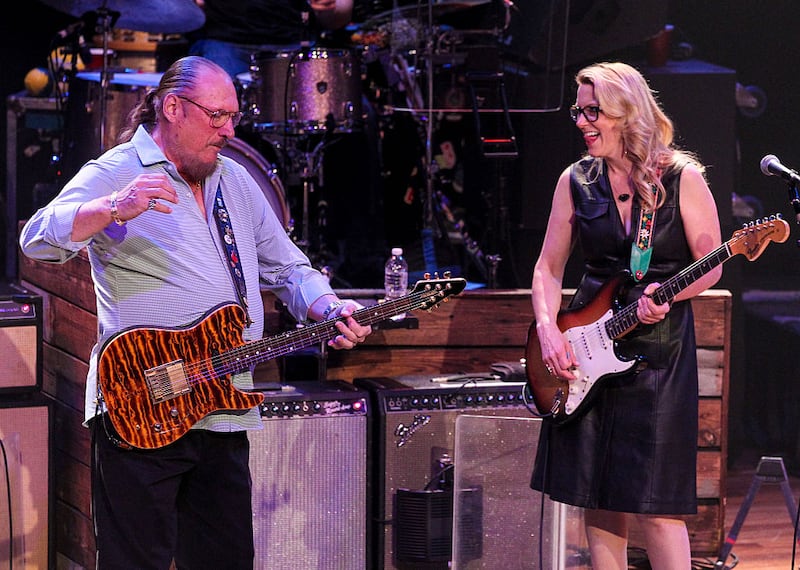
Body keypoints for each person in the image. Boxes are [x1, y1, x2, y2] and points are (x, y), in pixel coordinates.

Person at [18, 55, 372, 569]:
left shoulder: (235, 180)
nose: (229, 130)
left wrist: (329, 306)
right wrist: (112, 207)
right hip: (141, 403)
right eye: (216, 116)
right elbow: (37, 240)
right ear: (172, 108)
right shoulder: (117, 171)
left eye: (233, 116)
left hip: (223, 408)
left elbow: (288, 267)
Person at [529, 61, 722, 568]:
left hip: (658, 353)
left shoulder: (681, 177)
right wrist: (549, 330)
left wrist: (669, 296)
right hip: (589, 344)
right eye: (579, 111)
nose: (582, 122)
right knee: (598, 496)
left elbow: (712, 265)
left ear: (626, 111)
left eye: (593, 111)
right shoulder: (575, 180)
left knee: (656, 505)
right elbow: (547, 267)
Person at [187, 0, 354, 80]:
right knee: (212, 111)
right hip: (223, 40)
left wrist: (329, 8)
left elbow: (340, 16)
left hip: (295, 43)